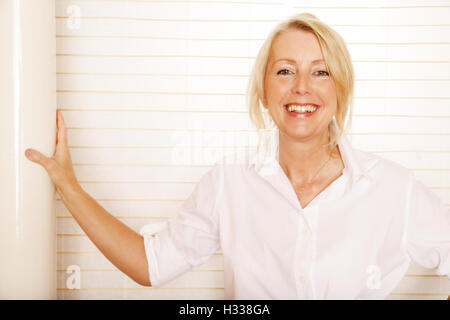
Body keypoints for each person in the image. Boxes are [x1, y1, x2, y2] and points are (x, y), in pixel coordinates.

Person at [25, 13, 450, 299]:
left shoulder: (394, 189)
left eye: (321, 71)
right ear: (264, 92)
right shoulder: (227, 182)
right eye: (285, 70)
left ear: (340, 89)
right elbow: (150, 265)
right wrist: (67, 185)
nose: (302, 86)